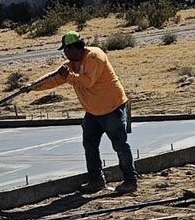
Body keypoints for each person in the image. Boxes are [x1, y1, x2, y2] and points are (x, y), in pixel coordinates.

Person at [32, 32, 137, 195]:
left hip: (112, 108)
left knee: (120, 145)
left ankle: (130, 181)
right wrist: (32, 86)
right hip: (93, 113)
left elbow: (88, 81)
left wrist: (69, 76)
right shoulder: (72, 64)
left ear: (75, 48)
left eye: (66, 50)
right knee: (89, 145)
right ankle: (96, 180)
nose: (65, 54)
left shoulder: (94, 57)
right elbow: (55, 78)